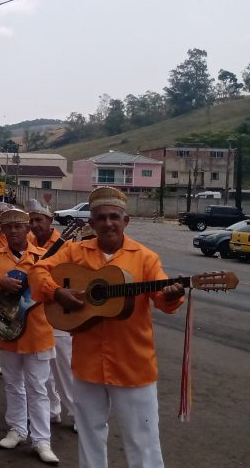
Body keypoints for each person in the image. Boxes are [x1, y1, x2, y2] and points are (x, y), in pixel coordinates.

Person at [29, 187, 185, 468]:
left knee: (142, 441)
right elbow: (38, 270)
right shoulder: (75, 252)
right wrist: (55, 292)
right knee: (89, 435)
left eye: (114, 217)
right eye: (100, 218)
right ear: (91, 222)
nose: (108, 223)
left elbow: (163, 300)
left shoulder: (145, 258)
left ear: (126, 221)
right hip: (88, 363)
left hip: (133, 365)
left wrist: (171, 295)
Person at [0, 208, 60, 465]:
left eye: (18, 226)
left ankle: (42, 440)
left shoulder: (44, 257)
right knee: (13, 384)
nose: (13, 230)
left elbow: (57, 288)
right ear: (2, 230)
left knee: (38, 387)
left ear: (27, 229)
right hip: (8, 330)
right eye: (8, 226)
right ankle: (17, 429)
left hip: (38, 331)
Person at [26, 199, 76, 431]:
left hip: (59, 312)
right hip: (36, 314)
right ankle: (51, 410)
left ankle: (77, 414)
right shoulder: (28, 243)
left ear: (50, 221)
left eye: (39, 220)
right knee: (42, 372)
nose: (35, 225)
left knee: (65, 369)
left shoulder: (68, 245)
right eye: (32, 221)